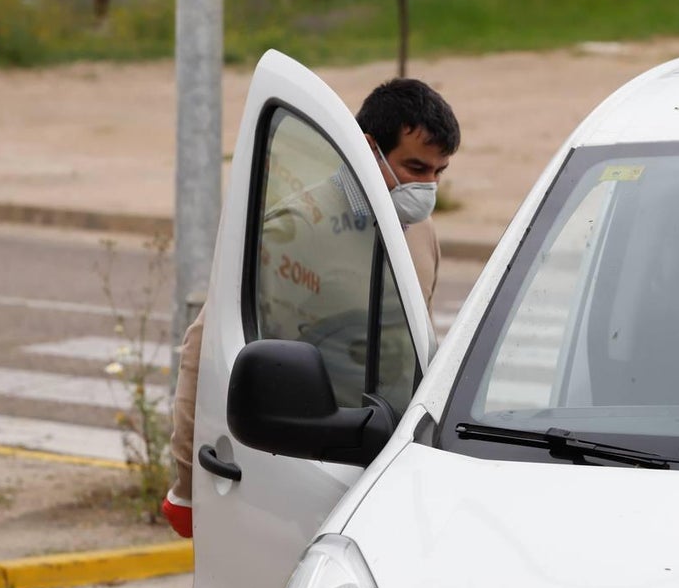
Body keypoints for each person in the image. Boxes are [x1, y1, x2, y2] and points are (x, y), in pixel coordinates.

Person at [161, 78, 461, 538]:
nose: (427, 188)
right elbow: (204, 352)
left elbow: (413, 352)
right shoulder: (296, 232)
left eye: (439, 173)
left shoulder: (419, 235)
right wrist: (188, 485)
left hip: (389, 478)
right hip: (304, 479)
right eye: (415, 167)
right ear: (367, 150)